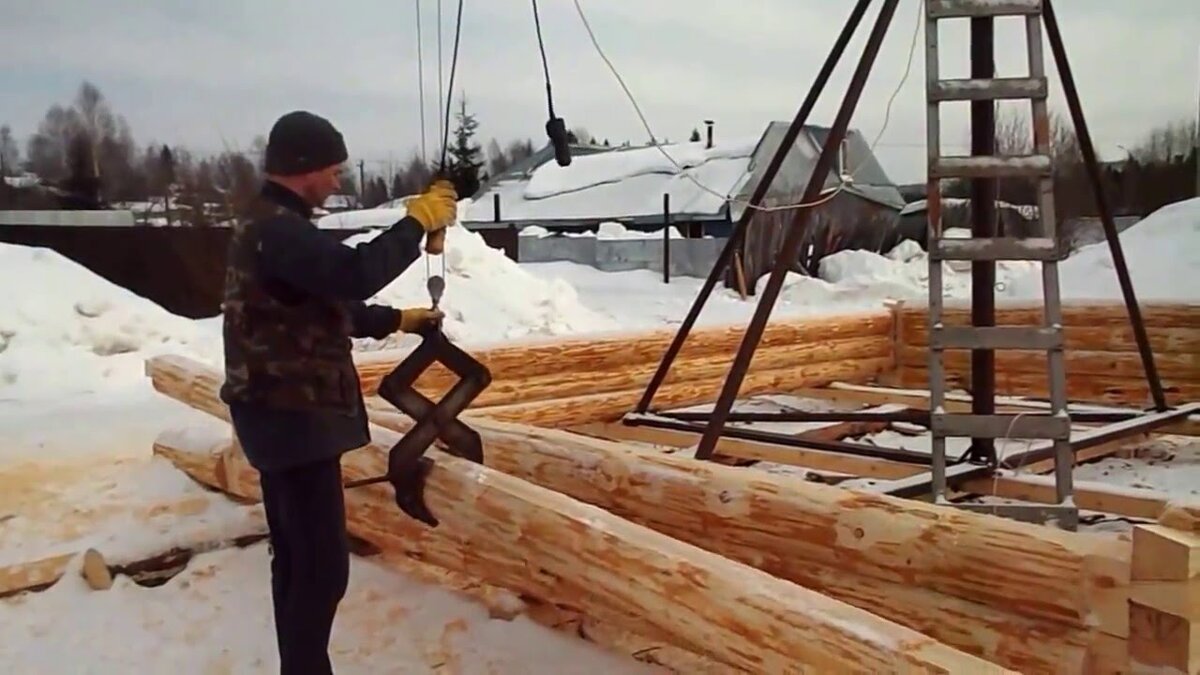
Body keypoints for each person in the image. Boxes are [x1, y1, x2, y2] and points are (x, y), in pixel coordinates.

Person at [219, 110, 458, 674]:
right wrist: (414, 223)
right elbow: (349, 274)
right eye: (333, 170)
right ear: (304, 169)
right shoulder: (279, 228)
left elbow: (321, 302)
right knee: (322, 568)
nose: (338, 181)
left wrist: (397, 319)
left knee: (299, 562)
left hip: (277, 416)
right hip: (292, 418)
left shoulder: (269, 222)